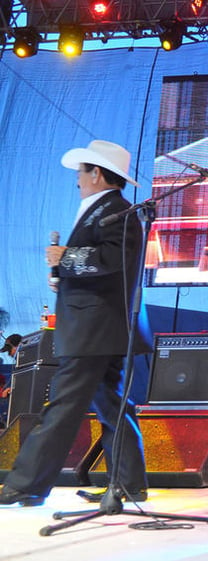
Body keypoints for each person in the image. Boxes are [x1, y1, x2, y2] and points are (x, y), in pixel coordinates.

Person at [0, 140, 150, 507]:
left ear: (97, 173)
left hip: (93, 328)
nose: (77, 180)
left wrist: (67, 259)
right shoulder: (106, 210)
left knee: (64, 405)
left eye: (81, 172)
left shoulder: (116, 211)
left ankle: (27, 483)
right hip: (98, 325)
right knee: (113, 405)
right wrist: (66, 272)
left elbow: (113, 259)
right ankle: (129, 483)